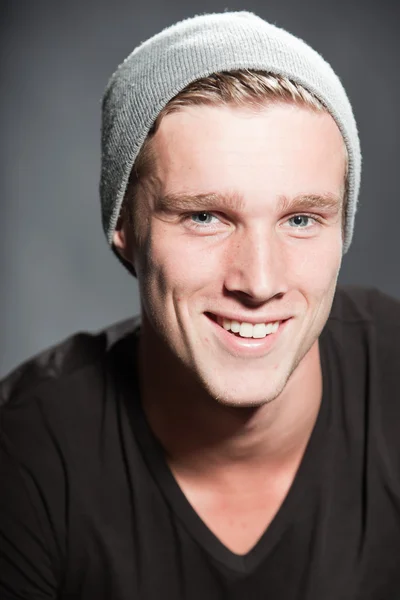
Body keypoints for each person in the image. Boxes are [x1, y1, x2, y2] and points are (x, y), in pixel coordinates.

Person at [1, 10, 400, 600]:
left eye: (300, 219)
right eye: (205, 217)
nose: (259, 281)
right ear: (126, 232)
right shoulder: (25, 452)